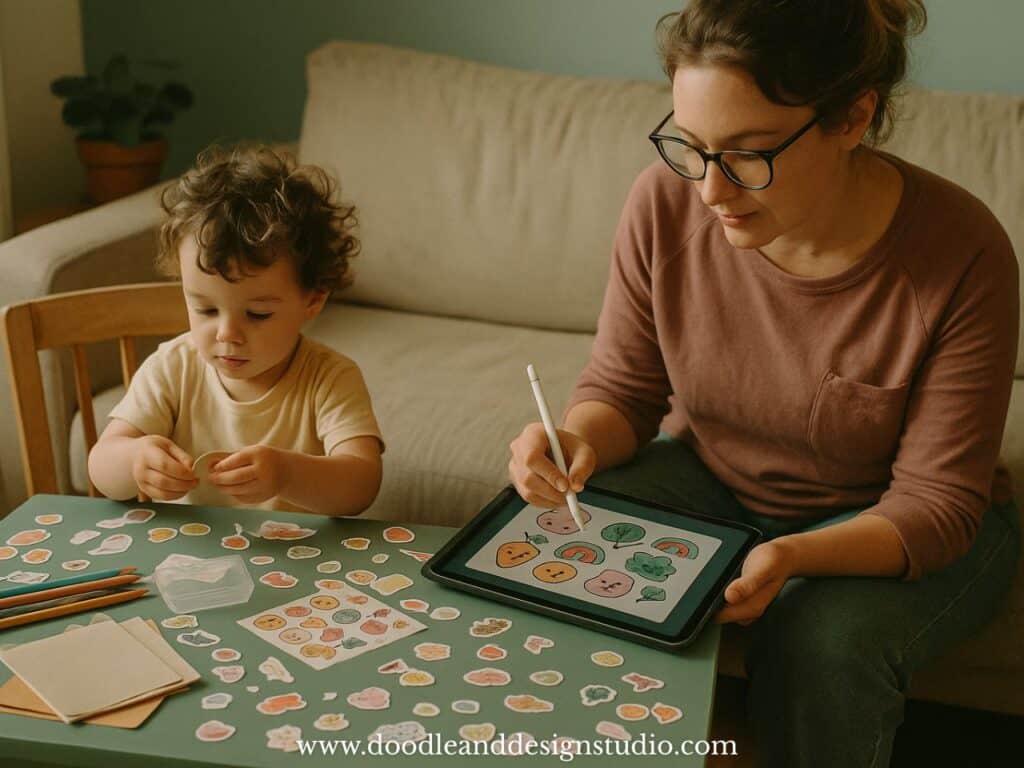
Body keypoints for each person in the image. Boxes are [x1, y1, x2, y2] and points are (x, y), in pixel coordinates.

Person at [508, 1, 1019, 765]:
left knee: (822, 641)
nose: (710, 191)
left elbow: (937, 506)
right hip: (716, 479)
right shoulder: (664, 202)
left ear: (852, 117)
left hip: (887, 523)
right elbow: (625, 389)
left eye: (748, 153)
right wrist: (572, 439)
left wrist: (796, 557)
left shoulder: (962, 253)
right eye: (691, 146)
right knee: (559, 545)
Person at [88, 145, 384, 516]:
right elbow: (101, 467)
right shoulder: (173, 368)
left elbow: (362, 485)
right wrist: (134, 460)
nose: (226, 334)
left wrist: (288, 475)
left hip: (295, 563)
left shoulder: (330, 378)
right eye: (205, 308)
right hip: (191, 562)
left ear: (312, 300)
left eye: (258, 313)